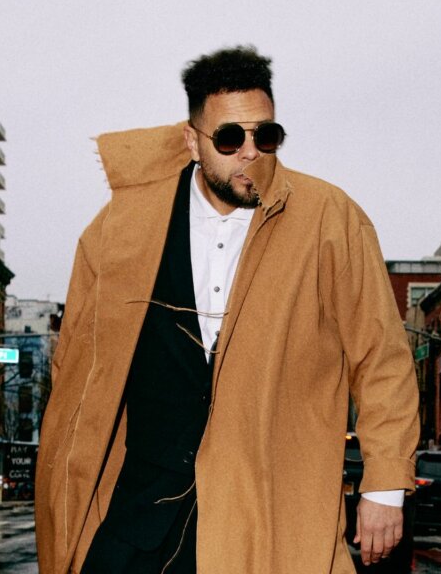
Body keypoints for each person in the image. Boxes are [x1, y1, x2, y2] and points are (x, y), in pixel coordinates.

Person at [35, 46, 419, 574]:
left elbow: (382, 357)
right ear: (192, 141)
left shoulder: (329, 220)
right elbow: (75, 368)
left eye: (266, 136)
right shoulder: (119, 230)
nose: (251, 153)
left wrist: (385, 485)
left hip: (263, 518)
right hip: (135, 524)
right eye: (230, 138)